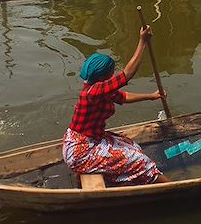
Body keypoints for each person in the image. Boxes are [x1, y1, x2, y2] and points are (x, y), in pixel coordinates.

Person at [62, 26, 171, 186]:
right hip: (81, 151)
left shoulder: (98, 88)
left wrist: (151, 96)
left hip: (90, 141)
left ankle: (119, 176)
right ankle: (169, 186)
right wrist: (142, 42)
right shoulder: (95, 91)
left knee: (131, 145)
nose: (113, 75)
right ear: (104, 76)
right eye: (111, 73)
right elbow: (127, 74)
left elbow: (122, 97)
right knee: (139, 160)